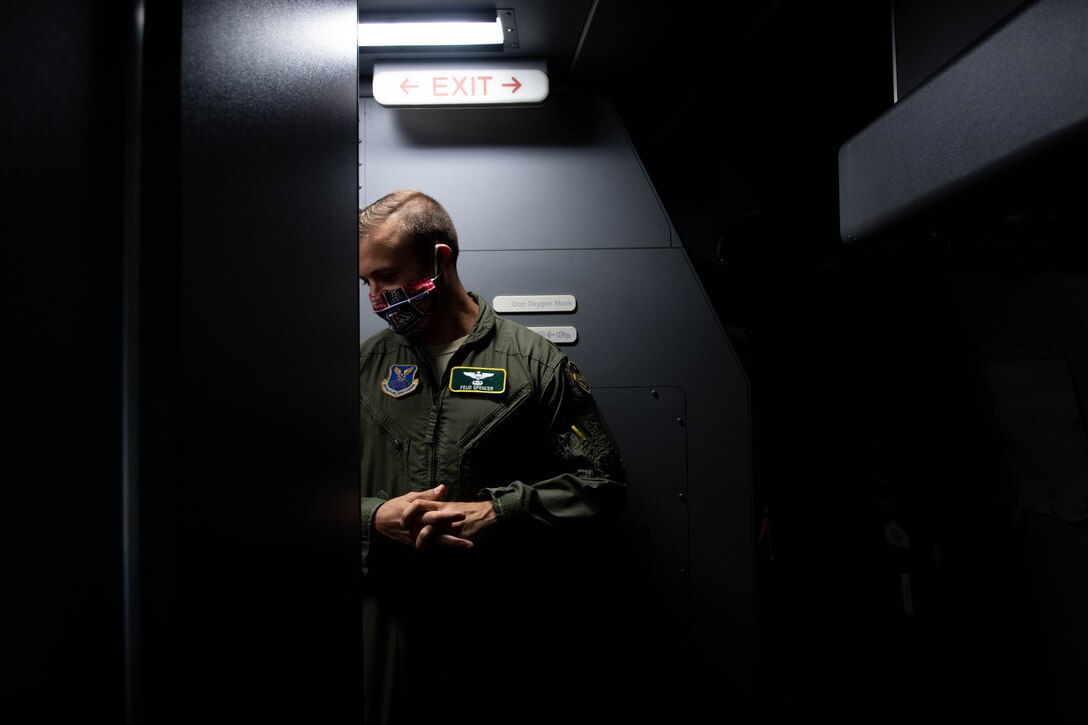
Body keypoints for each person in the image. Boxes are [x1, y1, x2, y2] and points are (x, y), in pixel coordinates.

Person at [358, 190, 629, 725]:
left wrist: (500, 512)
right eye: (365, 282)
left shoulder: (533, 364)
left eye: (386, 277)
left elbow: (602, 485)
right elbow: (290, 499)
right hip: (383, 639)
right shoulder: (361, 367)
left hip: (496, 637)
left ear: (441, 258)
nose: (375, 296)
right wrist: (372, 515)